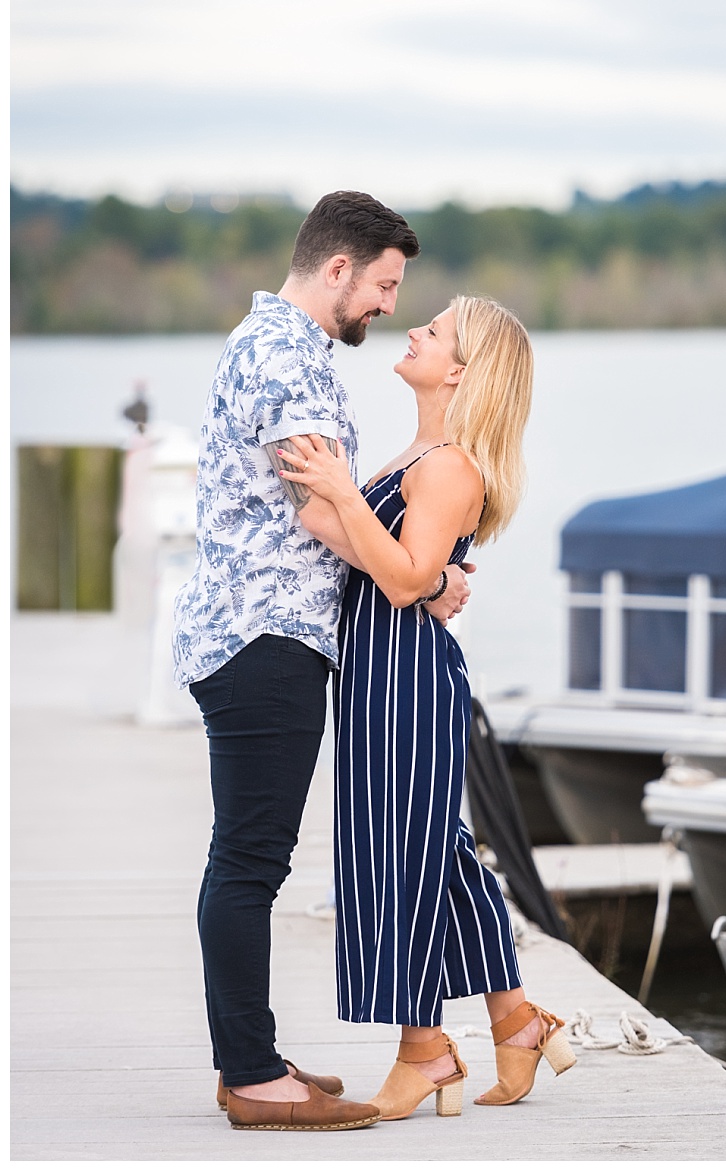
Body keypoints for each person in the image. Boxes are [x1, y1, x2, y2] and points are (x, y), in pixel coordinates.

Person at [173, 191, 471, 1132]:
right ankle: (253, 1077)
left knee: (249, 855)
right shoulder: (289, 358)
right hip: (266, 638)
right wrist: (423, 581)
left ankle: (255, 1056)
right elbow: (317, 508)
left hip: (255, 633)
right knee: (251, 859)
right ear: (338, 268)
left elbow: (329, 495)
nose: (386, 306)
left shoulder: (274, 347)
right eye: (384, 284)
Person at [276, 293, 575, 1121]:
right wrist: (324, 500)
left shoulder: (448, 464)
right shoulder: (418, 450)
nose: (414, 330)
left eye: (434, 329)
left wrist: (346, 494)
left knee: (399, 857)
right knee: (427, 851)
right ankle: (512, 1022)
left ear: (463, 371)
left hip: (405, 672)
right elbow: (388, 562)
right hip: (380, 668)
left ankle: (424, 1049)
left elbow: (402, 577)